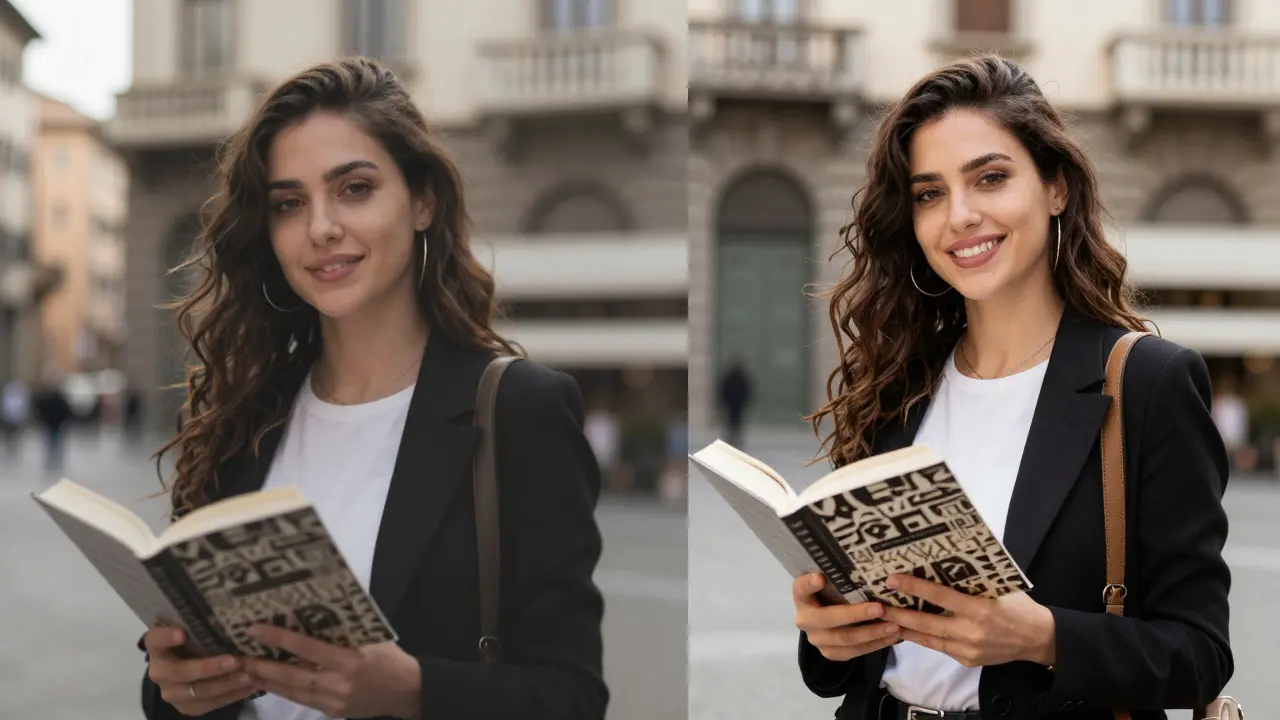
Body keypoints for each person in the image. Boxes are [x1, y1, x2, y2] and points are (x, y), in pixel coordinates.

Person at [137, 57, 607, 720]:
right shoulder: (245, 415)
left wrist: (415, 690)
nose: (321, 227)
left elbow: (574, 698)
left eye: (354, 189)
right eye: (289, 204)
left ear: (422, 201)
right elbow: (179, 684)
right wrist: (171, 686)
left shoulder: (521, 410)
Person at [792, 56, 1232, 720]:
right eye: (929, 193)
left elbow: (1199, 656)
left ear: (1055, 189)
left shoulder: (1150, 382)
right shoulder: (898, 385)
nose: (959, 216)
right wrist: (826, 635)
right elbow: (852, 665)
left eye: (990, 179)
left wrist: (1043, 638)